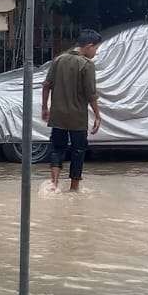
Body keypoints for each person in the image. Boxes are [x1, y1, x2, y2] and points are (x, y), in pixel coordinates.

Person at [42, 29, 104, 192]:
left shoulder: (59, 59)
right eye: (96, 49)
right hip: (77, 117)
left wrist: (44, 107)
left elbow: (46, 85)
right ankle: (74, 187)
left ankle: (54, 184)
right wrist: (97, 115)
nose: (95, 53)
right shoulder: (87, 64)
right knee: (78, 150)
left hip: (58, 115)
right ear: (89, 46)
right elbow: (91, 94)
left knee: (57, 148)